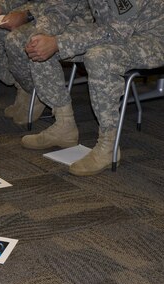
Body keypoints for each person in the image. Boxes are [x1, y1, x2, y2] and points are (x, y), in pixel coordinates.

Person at [9, 0, 164, 175]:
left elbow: (118, 31)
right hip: (110, 32)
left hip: (153, 38)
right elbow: (61, 8)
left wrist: (58, 43)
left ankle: (108, 146)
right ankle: (64, 125)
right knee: (38, 43)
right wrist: (43, 34)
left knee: (99, 57)